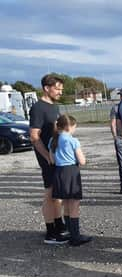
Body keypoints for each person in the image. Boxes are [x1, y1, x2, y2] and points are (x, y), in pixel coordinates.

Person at [29, 74, 68, 244]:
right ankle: (50, 232)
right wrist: (47, 157)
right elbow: (34, 136)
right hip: (48, 159)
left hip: (57, 157)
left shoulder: (54, 106)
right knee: (49, 194)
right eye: (57, 88)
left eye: (61, 88)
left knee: (57, 194)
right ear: (46, 88)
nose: (60, 91)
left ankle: (60, 225)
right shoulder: (38, 108)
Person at [48, 115, 92, 246]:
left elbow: (52, 160)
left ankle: (70, 232)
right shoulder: (73, 140)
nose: (75, 130)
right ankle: (75, 237)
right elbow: (82, 161)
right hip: (71, 172)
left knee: (66, 204)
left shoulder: (52, 140)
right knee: (74, 206)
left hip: (59, 172)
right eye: (74, 127)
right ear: (69, 127)